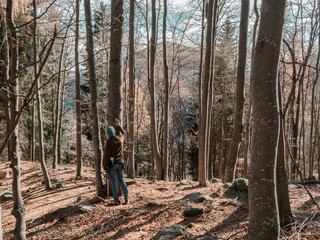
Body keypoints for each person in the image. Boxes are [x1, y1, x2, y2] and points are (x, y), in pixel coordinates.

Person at [103, 118, 129, 205]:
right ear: (114, 132)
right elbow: (125, 133)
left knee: (114, 182)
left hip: (112, 165)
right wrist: (119, 126)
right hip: (121, 163)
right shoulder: (120, 139)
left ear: (108, 134)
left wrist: (104, 167)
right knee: (122, 180)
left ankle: (116, 200)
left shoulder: (109, 142)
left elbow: (106, 156)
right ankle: (127, 198)